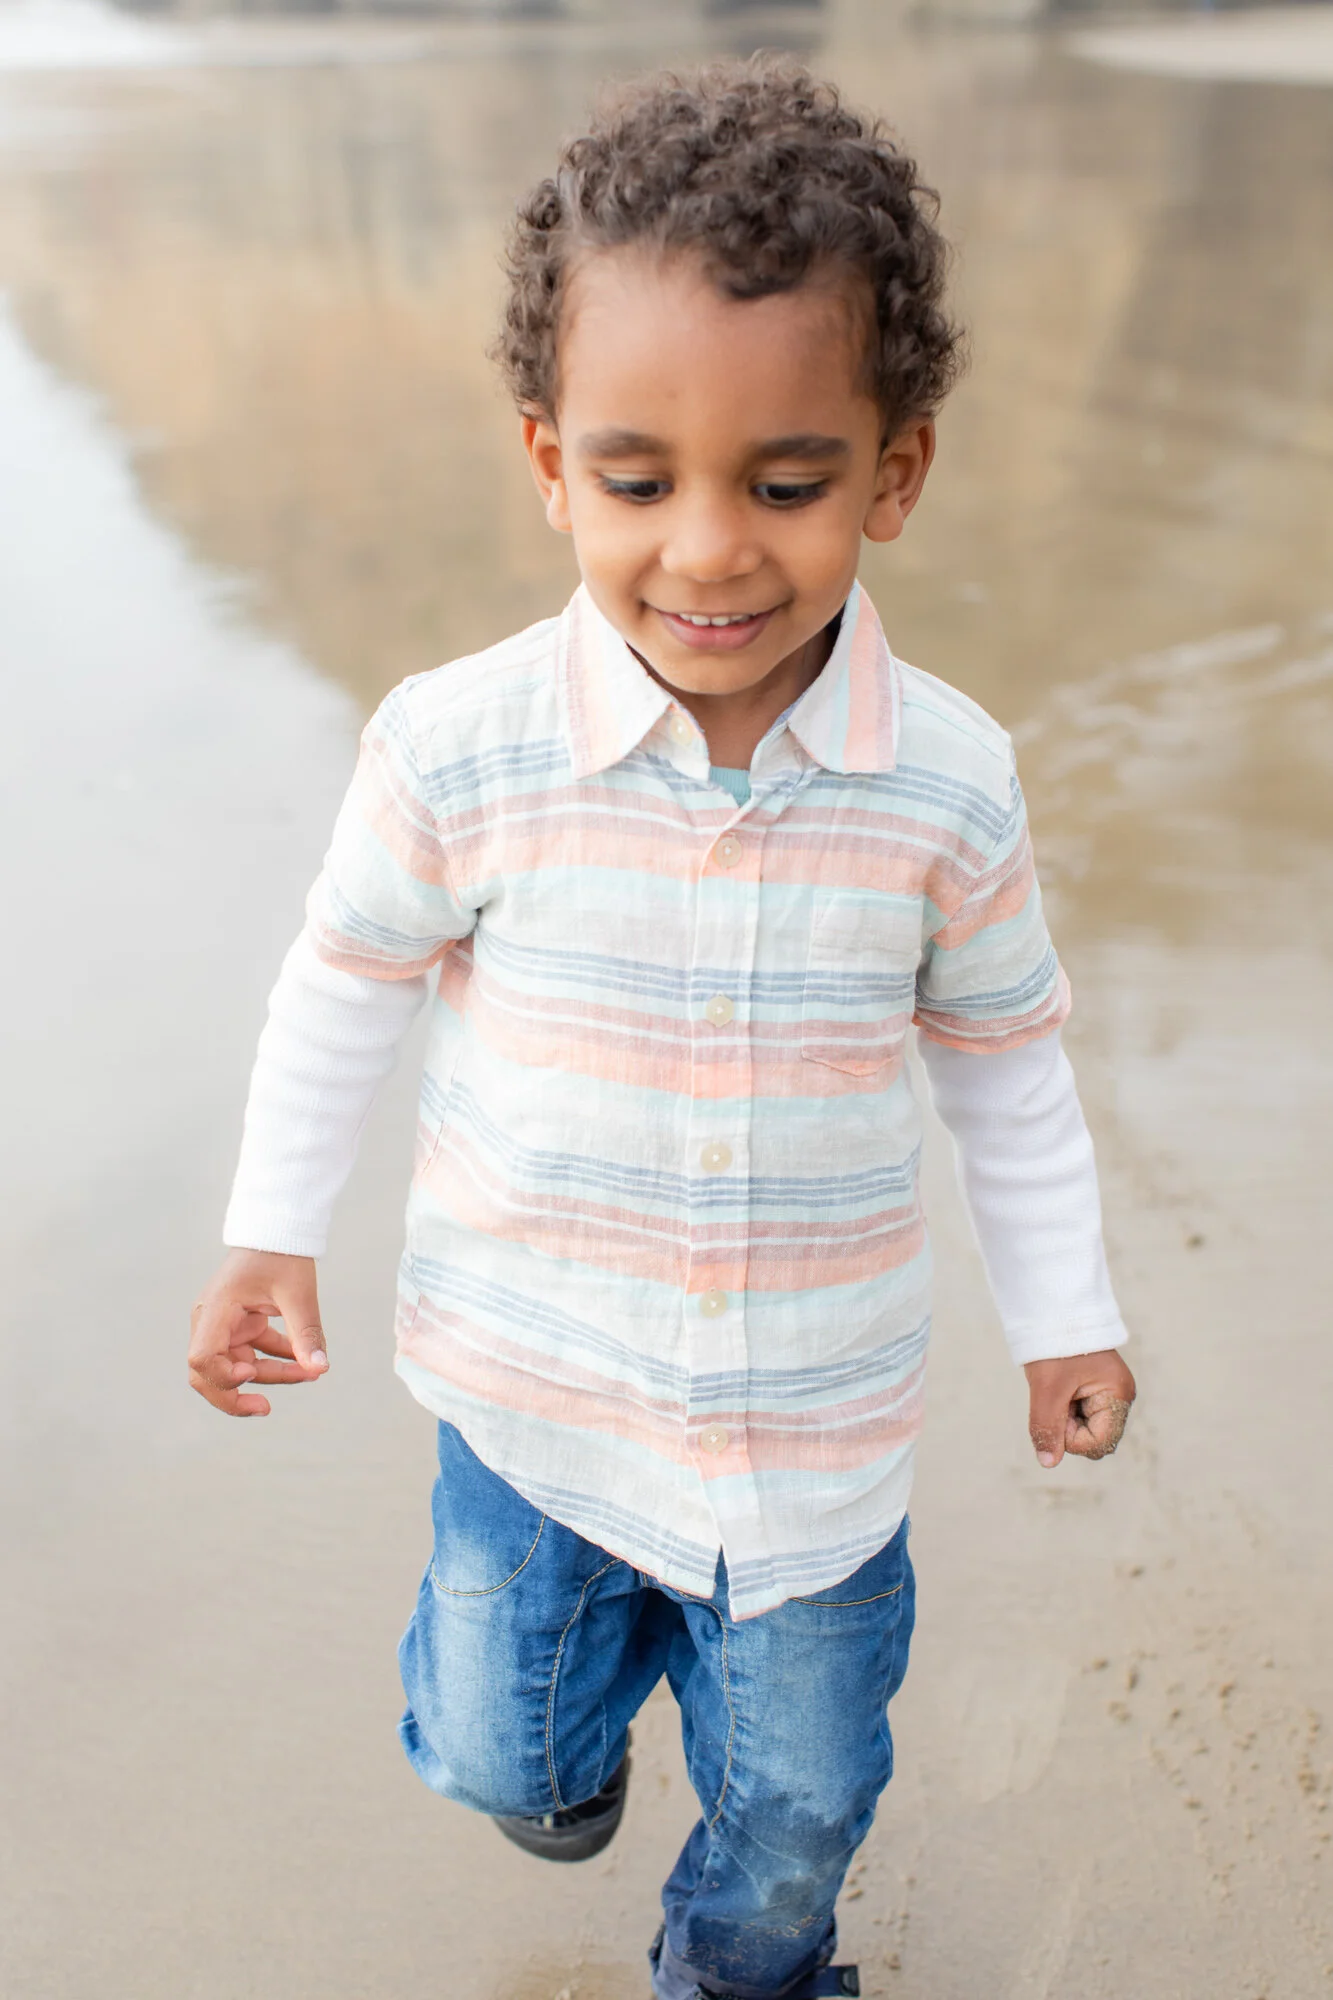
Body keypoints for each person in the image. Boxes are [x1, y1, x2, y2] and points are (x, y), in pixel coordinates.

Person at [189, 56, 1135, 2000]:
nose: (708, 548)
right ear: (550, 463)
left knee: (797, 1810)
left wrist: (1069, 1315)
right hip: (531, 1402)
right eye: (637, 481)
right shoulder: (461, 747)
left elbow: (1009, 1063)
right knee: (496, 1749)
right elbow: (347, 975)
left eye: (785, 484)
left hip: (815, 1447)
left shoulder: (947, 784)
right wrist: (268, 1224)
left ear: (896, 469)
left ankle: (739, 1974)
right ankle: (544, 1757)